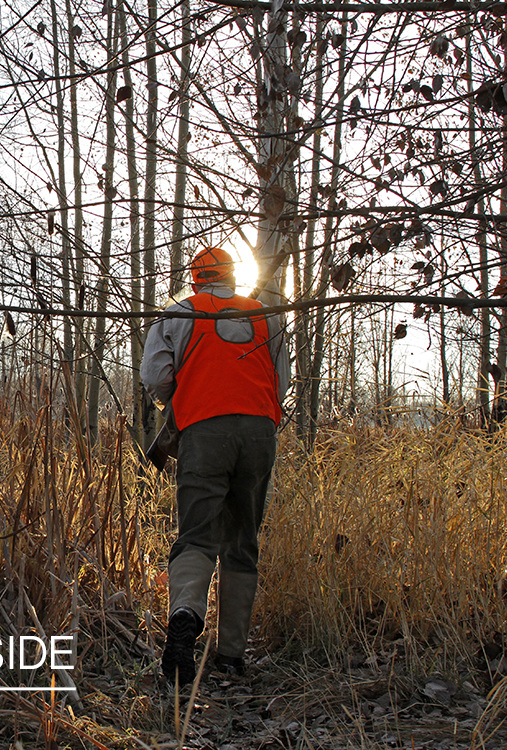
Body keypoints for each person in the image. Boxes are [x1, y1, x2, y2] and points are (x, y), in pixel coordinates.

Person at [140, 246, 289, 687]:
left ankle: (185, 616)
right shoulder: (267, 315)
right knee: (242, 540)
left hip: (204, 430)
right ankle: (230, 657)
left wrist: (178, 394)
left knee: (197, 535)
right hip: (260, 433)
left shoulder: (178, 313)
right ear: (232, 276)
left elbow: (155, 378)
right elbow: (281, 380)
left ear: (195, 278)